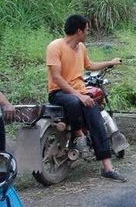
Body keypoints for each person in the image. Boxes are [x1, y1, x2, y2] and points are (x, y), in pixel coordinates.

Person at [46, 14, 126, 182]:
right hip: (59, 93)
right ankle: (78, 134)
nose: (88, 32)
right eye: (87, 29)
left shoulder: (81, 47)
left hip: (79, 93)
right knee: (75, 101)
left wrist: (110, 62)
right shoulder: (55, 46)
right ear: (79, 30)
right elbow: (57, 77)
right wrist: (79, 95)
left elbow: (90, 65)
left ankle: (108, 168)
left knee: (96, 120)